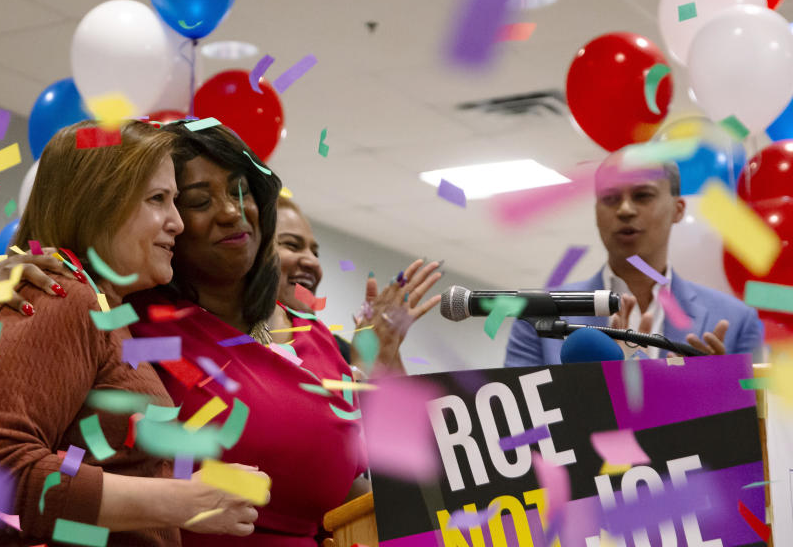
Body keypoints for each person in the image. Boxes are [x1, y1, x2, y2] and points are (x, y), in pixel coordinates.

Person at [0, 121, 367, 547]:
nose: (178, 220)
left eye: (178, 201)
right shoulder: (68, 297)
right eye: (168, 199)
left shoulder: (113, 309)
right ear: (99, 200)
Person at [127, 121, 366, 547]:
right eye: (199, 199)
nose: (232, 211)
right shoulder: (135, 322)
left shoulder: (318, 340)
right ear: (168, 218)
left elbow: (351, 491)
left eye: (240, 189)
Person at [505, 155, 764, 367]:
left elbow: (756, 425)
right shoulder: (538, 315)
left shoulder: (738, 322)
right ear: (596, 212)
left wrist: (724, 389)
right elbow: (521, 426)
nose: (625, 209)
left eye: (642, 195)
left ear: (678, 210)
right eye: (610, 198)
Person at [273, 194, 443, 375]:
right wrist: (361, 369)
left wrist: (385, 359)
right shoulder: (242, 345)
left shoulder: (337, 351)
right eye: (291, 245)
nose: (313, 262)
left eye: (315, 253)